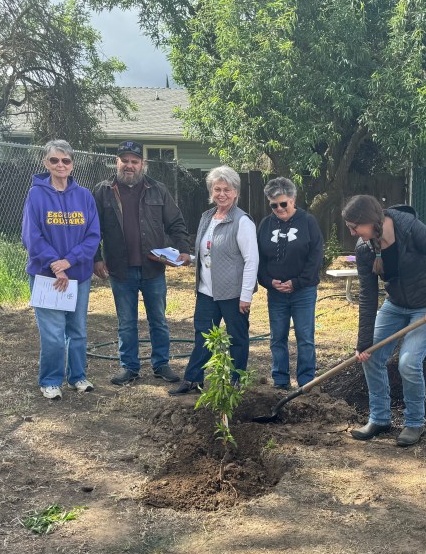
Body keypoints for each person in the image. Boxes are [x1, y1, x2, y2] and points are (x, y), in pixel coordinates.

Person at [343, 196, 426, 447]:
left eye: (354, 227)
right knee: (370, 356)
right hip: (395, 305)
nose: (352, 234)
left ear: (370, 221)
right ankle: (379, 418)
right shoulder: (364, 248)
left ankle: (414, 423)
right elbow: (368, 295)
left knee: (408, 363)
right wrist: (363, 343)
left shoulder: (409, 228)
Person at [92, 141, 193, 386]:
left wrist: (184, 249)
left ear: (142, 164)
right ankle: (129, 367)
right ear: (117, 162)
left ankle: (161, 364)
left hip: (153, 268)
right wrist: (96, 258)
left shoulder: (158, 190)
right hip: (120, 269)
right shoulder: (103, 191)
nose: (129, 165)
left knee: (158, 320)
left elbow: (176, 222)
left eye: (134, 161)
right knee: (126, 323)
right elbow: (93, 229)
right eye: (124, 160)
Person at [21, 140, 101, 400]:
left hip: (78, 276)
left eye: (65, 160)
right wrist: (55, 265)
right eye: (54, 160)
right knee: (53, 334)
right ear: (45, 163)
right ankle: (50, 380)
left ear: (72, 164)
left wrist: (69, 262)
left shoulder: (84, 196)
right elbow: (31, 236)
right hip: (47, 277)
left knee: (77, 331)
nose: (60, 165)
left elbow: (93, 235)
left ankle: (78, 377)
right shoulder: (36, 195)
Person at [170, 166, 258, 395]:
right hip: (206, 291)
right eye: (217, 189)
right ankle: (193, 380)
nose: (221, 194)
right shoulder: (206, 217)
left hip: (233, 293)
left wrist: (246, 296)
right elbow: (206, 252)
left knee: (237, 338)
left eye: (227, 190)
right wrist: (187, 258)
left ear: (235, 192)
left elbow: (251, 261)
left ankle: (236, 382)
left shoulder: (242, 221)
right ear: (211, 191)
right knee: (203, 336)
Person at [257, 177, 324, 389]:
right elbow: (259, 259)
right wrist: (269, 282)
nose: (279, 209)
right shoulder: (265, 225)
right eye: (274, 205)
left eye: (283, 203)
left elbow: (316, 256)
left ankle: (306, 380)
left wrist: (297, 282)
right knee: (277, 337)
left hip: (303, 291)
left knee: (305, 337)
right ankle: (280, 379)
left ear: (293, 200)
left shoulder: (308, 221)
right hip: (276, 292)